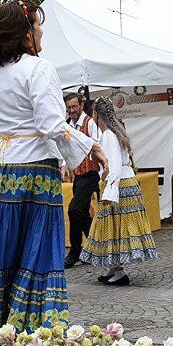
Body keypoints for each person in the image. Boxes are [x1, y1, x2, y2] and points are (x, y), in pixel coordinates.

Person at [0, 0, 107, 336]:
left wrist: (8, 135)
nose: (42, 31)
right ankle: (35, 322)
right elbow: (50, 123)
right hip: (34, 171)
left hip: (1, 170)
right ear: (25, 33)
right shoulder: (39, 68)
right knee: (37, 245)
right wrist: (91, 146)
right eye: (37, 25)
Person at [80, 97, 158, 286]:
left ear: (96, 114)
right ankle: (114, 267)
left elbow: (113, 164)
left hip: (119, 184)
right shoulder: (116, 131)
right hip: (126, 181)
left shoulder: (108, 135)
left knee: (116, 227)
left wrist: (108, 186)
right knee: (115, 226)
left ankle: (120, 271)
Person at [63, 92, 103, 269]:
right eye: (69, 108)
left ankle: (81, 249)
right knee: (79, 213)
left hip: (91, 174)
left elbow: (98, 146)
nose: (71, 110)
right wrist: (64, 165)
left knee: (74, 209)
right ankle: (88, 249)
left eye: (74, 106)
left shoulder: (90, 123)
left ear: (81, 105)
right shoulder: (67, 125)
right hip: (78, 176)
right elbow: (65, 148)